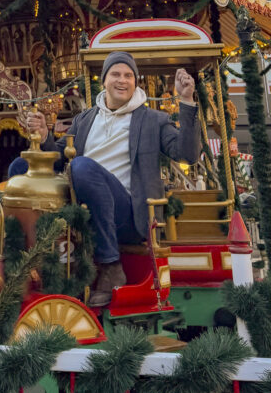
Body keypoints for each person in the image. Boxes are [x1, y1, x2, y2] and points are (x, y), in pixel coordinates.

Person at [17, 51, 199, 307]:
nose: (122, 80)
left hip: (128, 213)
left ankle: (111, 264)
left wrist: (187, 101)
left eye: (128, 75)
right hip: (83, 208)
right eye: (115, 74)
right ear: (104, 80)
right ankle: (26, 255)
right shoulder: (85, 119)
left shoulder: (153, 120)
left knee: (82, 166)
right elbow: (58, 157)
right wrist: (46, 134)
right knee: (21, 164)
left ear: (136, 82)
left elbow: (187, 154)